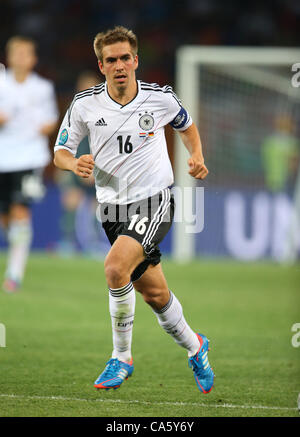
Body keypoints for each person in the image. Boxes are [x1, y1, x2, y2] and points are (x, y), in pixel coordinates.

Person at [53, 26, 214, 394]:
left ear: (136, 60)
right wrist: (71, 164)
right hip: (111, 209)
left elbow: (185, 125)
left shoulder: (160, 98)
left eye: (126, 58)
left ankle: (121, 357)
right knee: (155, 296)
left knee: (113, 268)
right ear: (101, 65)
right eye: (112, 60)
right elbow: (62, 150)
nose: (120, 65)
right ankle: (196, 345)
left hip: (155, 199)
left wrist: (197, 155)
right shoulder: (84, 105)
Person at [0, 36, 58, 293]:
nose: (22, 58)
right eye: (18, 53)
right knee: (6, 217)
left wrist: (44, 127)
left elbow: (51, 120)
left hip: (30, 157)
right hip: (3, 157)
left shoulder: (43, 88)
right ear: (9, 57)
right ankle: (15, 257)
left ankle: (14, 273)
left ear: (33, 59)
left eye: (27, 54)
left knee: (21, 210)